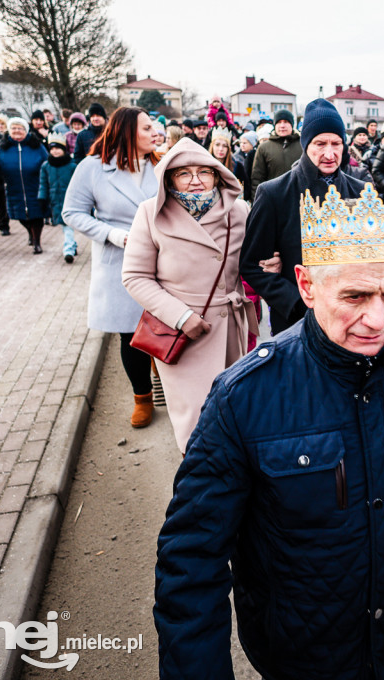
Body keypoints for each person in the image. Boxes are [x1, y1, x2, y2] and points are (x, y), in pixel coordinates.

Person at [153, 182, 384, 680]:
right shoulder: (245, 396)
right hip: (300, 649)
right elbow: (191, 557)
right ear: (306, 285)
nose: (378, 319)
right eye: (355, 296)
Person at [122, 139, 255, 454]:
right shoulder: (150, 213)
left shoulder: (238, 210)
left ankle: (232, 477)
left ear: (217, 174)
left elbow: (251, 261)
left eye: (204, 172)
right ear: (169, 178)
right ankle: (197, 478)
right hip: (183, 336)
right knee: (194, 423)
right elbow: (135, 276)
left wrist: (269, 263)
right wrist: (182, 317)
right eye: (184, 173)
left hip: (229, 329)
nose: (196, 180)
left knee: (235, 414)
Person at [63, 107, 160, 428]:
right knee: (131, 333)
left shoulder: (161, 165)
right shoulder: (93, 168)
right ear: (127, 131)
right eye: (147, 128)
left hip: (162, 260)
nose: (155, 132)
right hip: (119, 260)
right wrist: (113, 235)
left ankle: (164, 379)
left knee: (166, 325)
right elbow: (72, 212)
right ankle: (142, 397)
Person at [240, 98, 365, 334]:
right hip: (297, 323)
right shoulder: (274, 193)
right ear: (306, 144)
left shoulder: (361, 191)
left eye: (336, 143)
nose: (329, 153)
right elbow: (252, 265)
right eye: (320, 144)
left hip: (351, 318)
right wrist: (297, 302)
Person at [0, 117, 48, 253]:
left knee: (37, 215)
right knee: (19, 216)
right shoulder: (3, 146)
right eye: (14, 128)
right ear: (9, 130)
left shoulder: (36, 145)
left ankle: (37, 242)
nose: (17, 131)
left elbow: (47, 161)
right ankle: (30, 232)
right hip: (14, 187)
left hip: (34, 185)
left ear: (26, 131)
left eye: (20, 128)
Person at [38, 134, 78, 262]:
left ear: (64, 149)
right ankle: (72, 244)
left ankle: (68, 250)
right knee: (64, 225)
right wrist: (42, 198)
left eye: (58, 148)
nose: (55, 151)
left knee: (67, 225)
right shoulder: (46, 166)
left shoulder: (72, 166)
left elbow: (78, 185)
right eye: (52, 149)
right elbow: (43, 183)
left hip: (70, 201)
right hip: (55, 200)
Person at [249, 109, 301, 196]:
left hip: (298, 196)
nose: (282, 126)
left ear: (292, 125)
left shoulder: (303, 145)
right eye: (279, 122)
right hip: (272, 197)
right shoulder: (264, 148)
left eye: (286, 122)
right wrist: (257, 199)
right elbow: (257, 178)